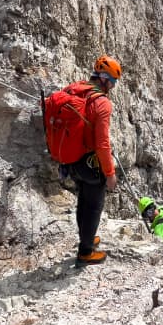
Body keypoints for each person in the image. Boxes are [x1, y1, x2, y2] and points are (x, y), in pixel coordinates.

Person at [62, 55, 122, 267]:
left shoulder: (74, 89)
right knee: (94, 205)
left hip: (70, 159)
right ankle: (86, 251)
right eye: (113, 81)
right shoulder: (102, 103)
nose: (113, 86)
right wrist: (110, 173)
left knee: (83, 201)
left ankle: (86, 237)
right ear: (104, 78)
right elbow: (102, 144)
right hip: (88, 162)